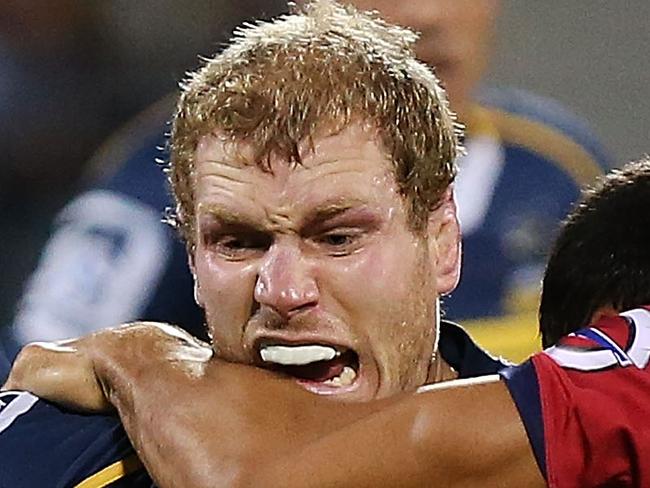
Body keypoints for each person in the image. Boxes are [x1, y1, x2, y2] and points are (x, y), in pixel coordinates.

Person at [3, 2, 650, 484]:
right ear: (192, 258)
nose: (284, 291)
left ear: (442, 240)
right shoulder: (54, 454)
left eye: (339, 237)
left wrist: (142, 354)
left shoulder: (558, 165)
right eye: (238, 243)